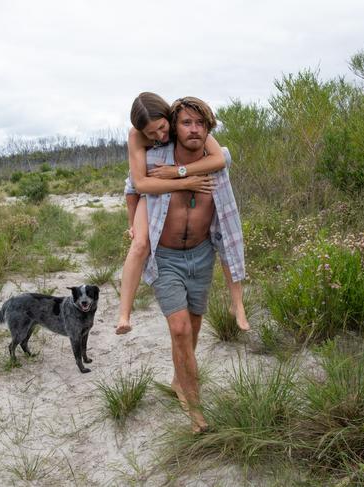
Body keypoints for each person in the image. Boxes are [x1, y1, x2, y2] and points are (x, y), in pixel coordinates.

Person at [142, 96, 246, 432]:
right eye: (186, 122)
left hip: (202, 256)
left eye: (200, 123)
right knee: (180, 328)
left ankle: (178, 381)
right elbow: (134, 185)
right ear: (174, 126)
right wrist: (134, 224)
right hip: (167, 257)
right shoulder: (155, 159)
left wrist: (182, 172)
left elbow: (228, 229)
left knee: (192, 331)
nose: (194, 129)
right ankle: (195, 409)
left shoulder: (217, 162)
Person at [115, 92, 249, 335]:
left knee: (228, 238)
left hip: (173, 187)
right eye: (151, 134)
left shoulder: (188, 127)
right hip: (153, 193)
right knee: (139, 244)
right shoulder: (137, 136)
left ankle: (237, 304)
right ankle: (124, 314)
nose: (159, 136)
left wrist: (179, 171)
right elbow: (137, 185)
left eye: (162, 128)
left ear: (169, 118)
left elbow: (221, 158)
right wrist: (183, 182)